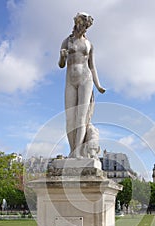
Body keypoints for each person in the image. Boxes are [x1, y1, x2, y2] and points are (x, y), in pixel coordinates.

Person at [58, 12, 105, 158]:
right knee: (70, 118)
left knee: (81, 117)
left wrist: (98, 85)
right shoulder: (67, 41)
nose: (84, 29)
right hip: (70, 80)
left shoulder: (89, 44)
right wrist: (62, 56)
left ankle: (77, 152)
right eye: (82, 25)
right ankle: (72, 150)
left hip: (86, 79)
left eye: (86, 27)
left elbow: (92, 66)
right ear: (77, 24)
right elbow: (61, 65)